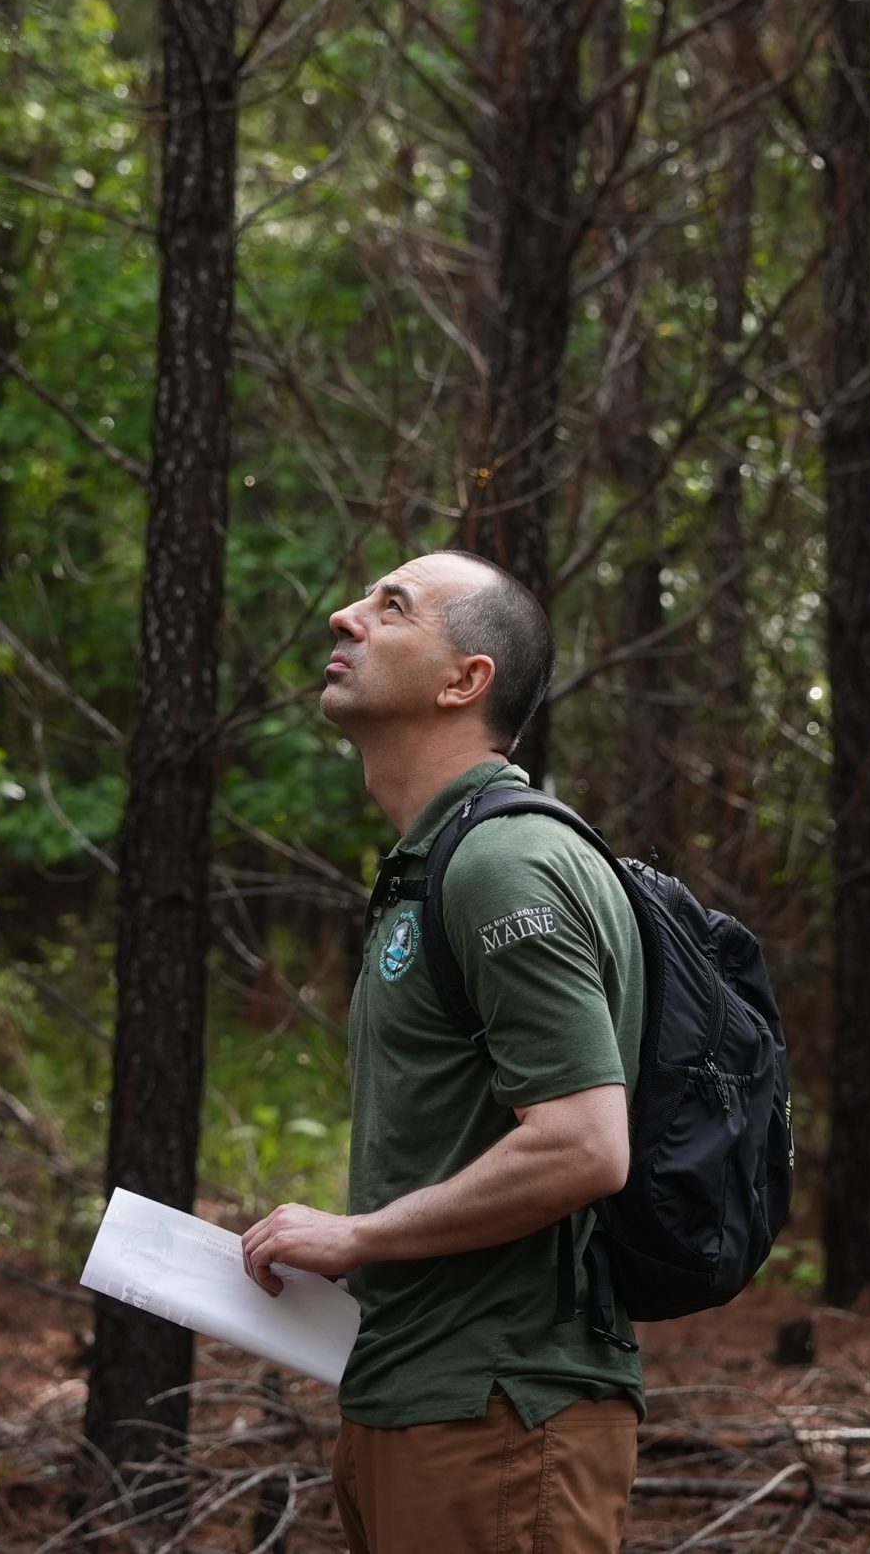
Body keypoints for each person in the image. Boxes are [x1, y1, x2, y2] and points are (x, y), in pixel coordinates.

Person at [238, 550, 646, 1554]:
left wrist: (359, 1235)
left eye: (392, 607)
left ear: (465, 680)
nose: (343, 617)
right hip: (421, 1400)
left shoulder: (505, 864)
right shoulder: (440, 861)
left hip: (500, 1413)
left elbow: (585, 1144)